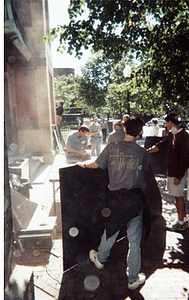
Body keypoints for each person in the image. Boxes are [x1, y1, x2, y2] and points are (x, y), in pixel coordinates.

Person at [78, 117, 149, 290]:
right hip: (135, 200)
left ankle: (101, 259)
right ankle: (132, 278)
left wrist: (83, 165)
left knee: (111, 230)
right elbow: (144, 172)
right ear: (139, 132)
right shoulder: (142, 152)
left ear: (124, 129)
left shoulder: (112, 147)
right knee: (134, 240)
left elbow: (96, 165)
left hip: (117, 199)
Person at [147, 113, 189, 232]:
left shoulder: (184, 136)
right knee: (178, 196)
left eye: (166, 123)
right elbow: (160, 146)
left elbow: (184, 158)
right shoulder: (172, 135)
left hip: (177, 172)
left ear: (170, 122)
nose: (165, 125)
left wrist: (179, 175)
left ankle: (181, 222)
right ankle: (184, 219)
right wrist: (146, 152)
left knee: (178, 197)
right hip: (172, 171)